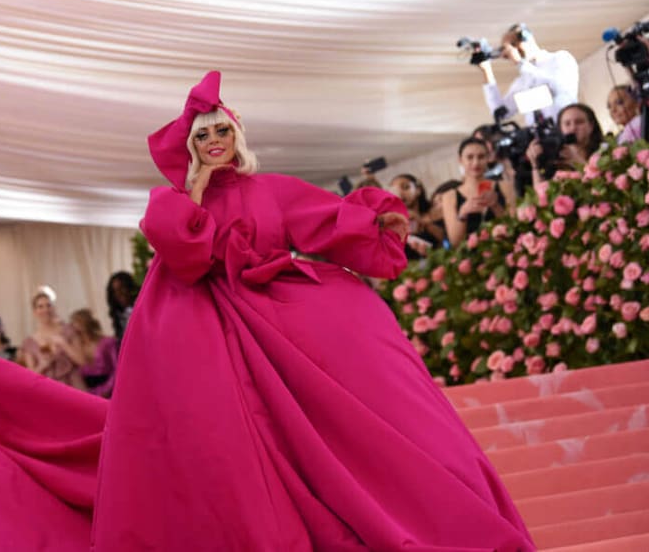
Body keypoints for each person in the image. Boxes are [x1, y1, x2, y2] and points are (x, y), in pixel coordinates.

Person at [91, 71, 534, 550]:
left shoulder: (270, 188)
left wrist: (374, 220)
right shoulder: (172, 202)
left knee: (363, 373)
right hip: (212, 326)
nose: (215, 141)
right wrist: (194, 189)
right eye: (203, 135)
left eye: (222, 131)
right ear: (190, 145)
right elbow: (183, 253)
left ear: (236, 134)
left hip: (276, 310)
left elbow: (323, 219)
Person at [478, 23, 579, 125]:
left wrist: (520, 63)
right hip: (538, 137)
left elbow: (557, 89)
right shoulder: (523, 81)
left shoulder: (560, 58)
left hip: (567, 128)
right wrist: (486, 70)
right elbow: (501, 112)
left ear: (527, 38)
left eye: (513, 45)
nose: (511, 52)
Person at [442, 137, 514, 248]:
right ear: (460, 160)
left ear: (488, 158)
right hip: (471, 258)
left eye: (481, 157)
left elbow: (514, 226)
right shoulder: (449, 196)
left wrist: (496, 206)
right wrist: (463, 213)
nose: (475, 163)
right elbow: (455, 242)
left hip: (503, 249)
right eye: (470, 157)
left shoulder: (504, 186)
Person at [18, 287, 86, 390]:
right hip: (48, 390)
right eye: (40, 307)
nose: (45, 310)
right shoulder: (29, 343)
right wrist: (42, 365)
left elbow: (82, 361)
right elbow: (30, 377)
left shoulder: (68, 331)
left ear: (54, 308)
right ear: (34, 311)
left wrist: (64, 344)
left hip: (74, 385)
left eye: (48, 305)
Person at [526, 103, 602, 187]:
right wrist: (535, 165)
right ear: (560, 128)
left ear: (591, 126)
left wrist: (577, 161)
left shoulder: (604, 152)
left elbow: (604, 185)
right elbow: (541, 194)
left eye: (579, 122)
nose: (573, 128)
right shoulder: (556, 155)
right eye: (567, 124)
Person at [387, 173, 442, 258]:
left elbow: (447, 241)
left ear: (418, 190)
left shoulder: (434, 213)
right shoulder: (392, 225)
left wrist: (422, 222)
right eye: (394, 191)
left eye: (405, 187)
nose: (400, 194)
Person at [69, 308, 118, 397]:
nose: (74, 327)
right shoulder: (75, 349)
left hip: (111, 390)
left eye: (77, 322)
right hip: (86, 393)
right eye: (72, 323)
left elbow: (117, 368)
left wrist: (107, 389)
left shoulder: (107, 342)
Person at [105, 271, 137, 341]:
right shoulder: (119, 317)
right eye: (115, 291)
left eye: (122, 288)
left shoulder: (141, 307)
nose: (119, 293)